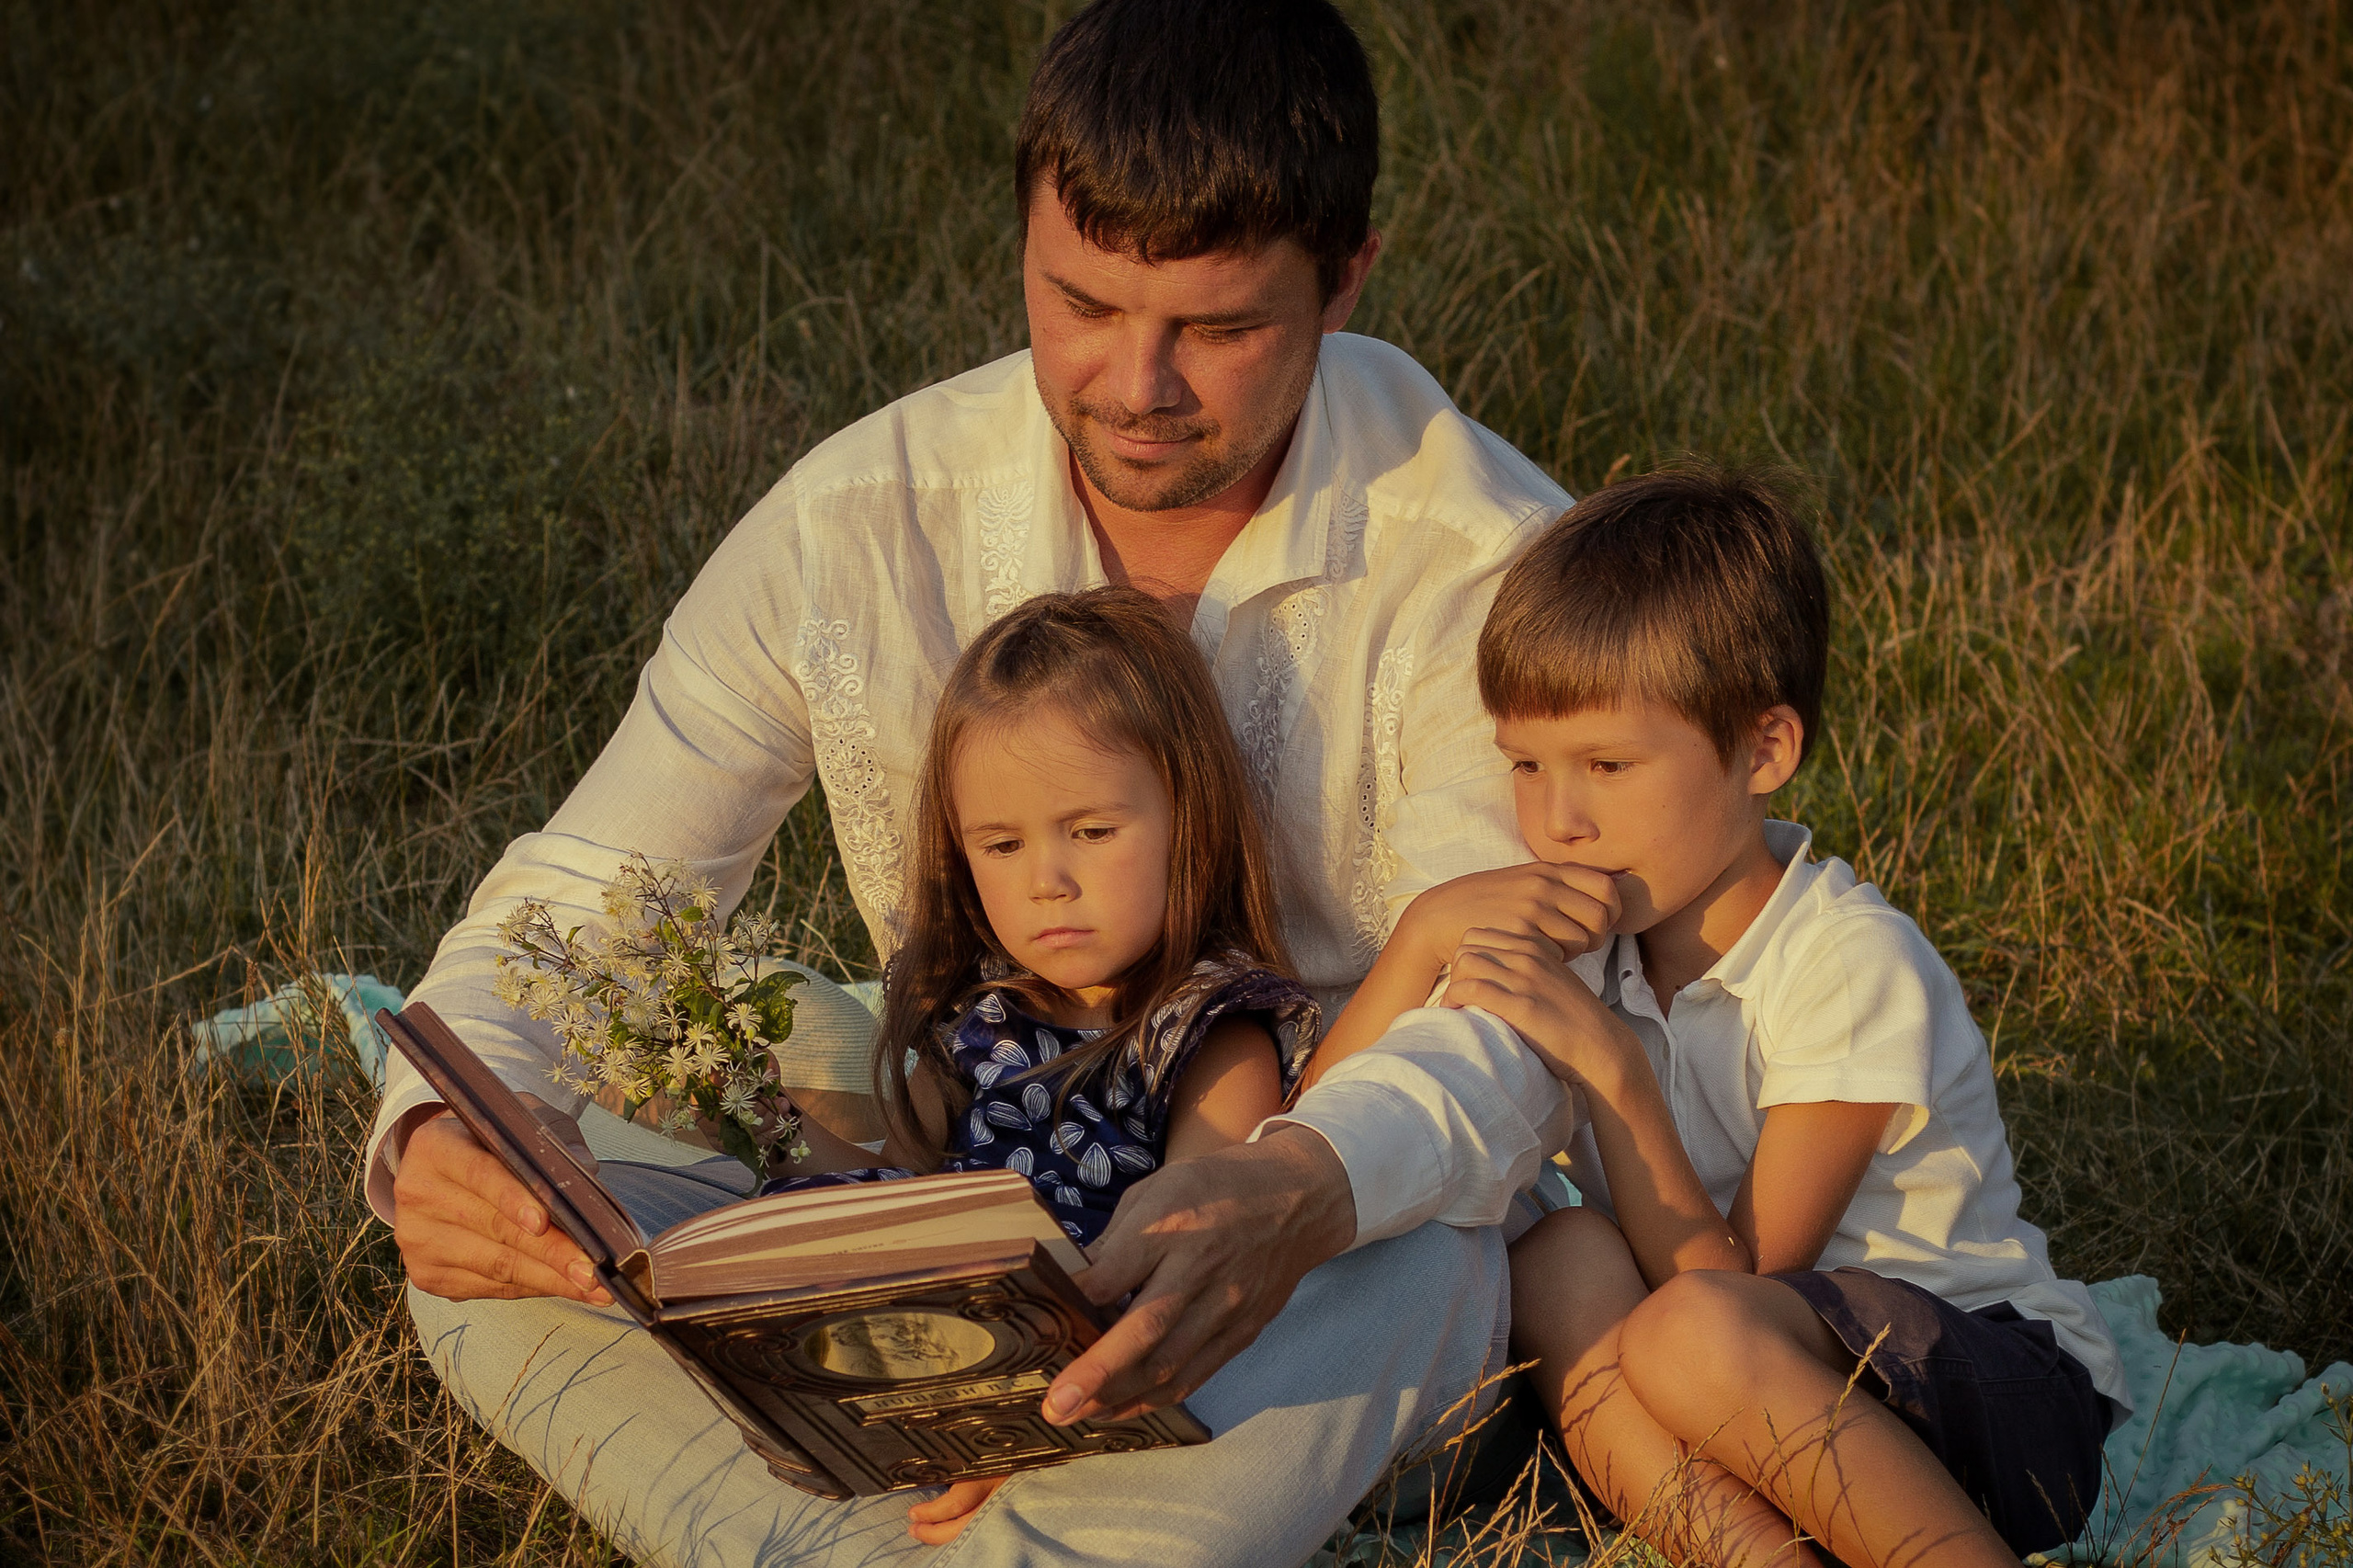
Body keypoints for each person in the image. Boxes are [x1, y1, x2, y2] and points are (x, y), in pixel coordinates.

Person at [370, 2, 1588, 1562]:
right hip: (957, 1203)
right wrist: (433, 1140)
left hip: (1307, 1243)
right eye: (1079, 303)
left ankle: (903, 1530)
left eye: (1217, 329)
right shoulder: (856, 521)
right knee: (507, 1249)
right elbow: (589, 896)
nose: (1136, 382)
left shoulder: (1487, 560)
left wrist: (1298, 1188)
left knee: (1423, 1258)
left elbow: (1513, 1027)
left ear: (1347, 276)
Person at [1315, 467, 2131, 1565]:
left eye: (1608, 764)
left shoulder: (1846, 959)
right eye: (1524, 763)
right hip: (1730, 1400)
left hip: (1990, 1408)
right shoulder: (1582, 940)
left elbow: (1736, 1281)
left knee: (1690, 1326)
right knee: (1557, 1259)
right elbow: (1323, 1129)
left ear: (1764, 750)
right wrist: (1418, 939)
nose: (1557, 817)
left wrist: (1610, 1068)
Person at [762, 587, 1320, 1541]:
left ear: (1192, 817)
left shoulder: (1212, 1027)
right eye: (1002, 843)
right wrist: (751, 1115)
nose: (1045, 879)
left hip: (1105, 1359)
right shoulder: (977, 1012)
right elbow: (901, 1186)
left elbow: (1190, 1243)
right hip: (951, 1336)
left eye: (1092, 832)